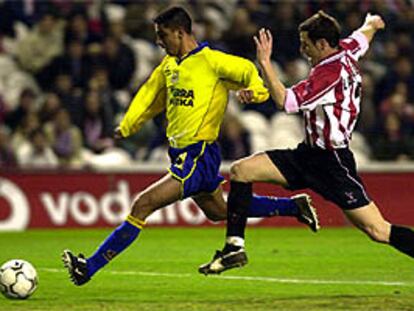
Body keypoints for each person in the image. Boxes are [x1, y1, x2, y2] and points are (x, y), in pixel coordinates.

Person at [61, 6, 319, 286]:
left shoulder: (212, 61)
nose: (159, 42)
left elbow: (248, 71)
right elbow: (150, 94)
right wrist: (128, 124)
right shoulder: (169, 65)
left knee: (142, 205)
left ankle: (88, 268)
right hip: (182, 155)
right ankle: (294, 207)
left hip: (198, 154)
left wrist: (255, 92)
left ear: (181, 32)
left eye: (163, 35)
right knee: (219, 212)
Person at [199, 11, 414, 275]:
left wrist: (265, 63)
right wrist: (372, 23)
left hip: (333, 163)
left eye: (306, 44)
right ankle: (234, 248)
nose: (303, 50)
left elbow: (285, 102)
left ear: (323, 44)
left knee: (378, 230)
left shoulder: (329, 73)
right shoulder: (346, 50)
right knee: (241, 171)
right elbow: (362, 37)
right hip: (306, 155)